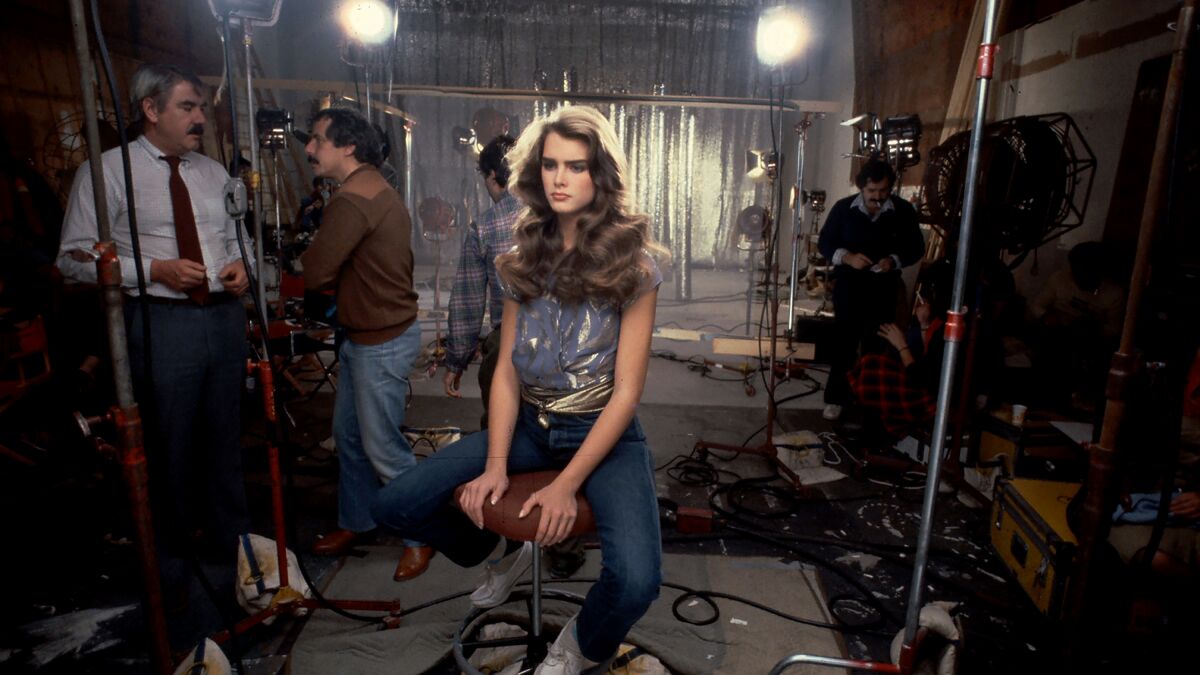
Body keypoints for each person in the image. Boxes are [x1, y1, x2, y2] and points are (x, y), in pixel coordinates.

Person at [371, 105, 666, 674]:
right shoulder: (520, 257)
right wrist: (495, 466)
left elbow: (627, 392)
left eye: (576, 167)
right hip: (530, 423)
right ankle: (488, 547)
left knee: (636, 581)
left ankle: (578, 649)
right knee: (395, 504)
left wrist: (566, 486)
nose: (559, 178)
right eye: (550, 164)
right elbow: (505, 367)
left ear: (600, 175)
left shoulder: (637, 266)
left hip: (603, 432)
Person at [57, 63, 252, 595]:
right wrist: (153, 270)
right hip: (163, 322)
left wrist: (241, 267)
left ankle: (232, 553)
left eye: (201, 108)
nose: (199, 118)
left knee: (225, 439)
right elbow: (72, 259)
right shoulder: (108, 173)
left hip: (222, 318)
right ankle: (173, 566)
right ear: (151, 110)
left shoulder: (213, 174)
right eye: (187, 107)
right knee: (170, 442)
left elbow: (236, 243)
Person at [299, 108, 430, 579]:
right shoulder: (375, 185)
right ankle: (356, 521)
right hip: (367, 338)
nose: (310, 149)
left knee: (384, 450)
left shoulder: (352, 199)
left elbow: (315, 272)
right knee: (352, 442)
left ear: (348, 146)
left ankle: (422, 534)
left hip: (381, 342)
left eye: (317, 140)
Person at [817, 158, 925, 421]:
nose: (877, 197)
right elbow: (825, 243)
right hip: (850, 287)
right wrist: (847, 258)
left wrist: (894, 260)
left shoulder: (902, 211)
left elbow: (916, 248)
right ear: (861, 188)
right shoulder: (844, 209)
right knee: (844, 344)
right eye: (871, 192)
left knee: (877, 346)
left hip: (884, 288)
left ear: (890, 188)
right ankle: (835, 399)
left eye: (883, 191)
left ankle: (870, 401)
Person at [443, 134, 519, 428]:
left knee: (501, 432)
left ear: (491, 175)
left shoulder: (486, 225)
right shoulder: (555, 214)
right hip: (560, 341)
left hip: (507, 343)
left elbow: (468, 301)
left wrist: (456, 360)